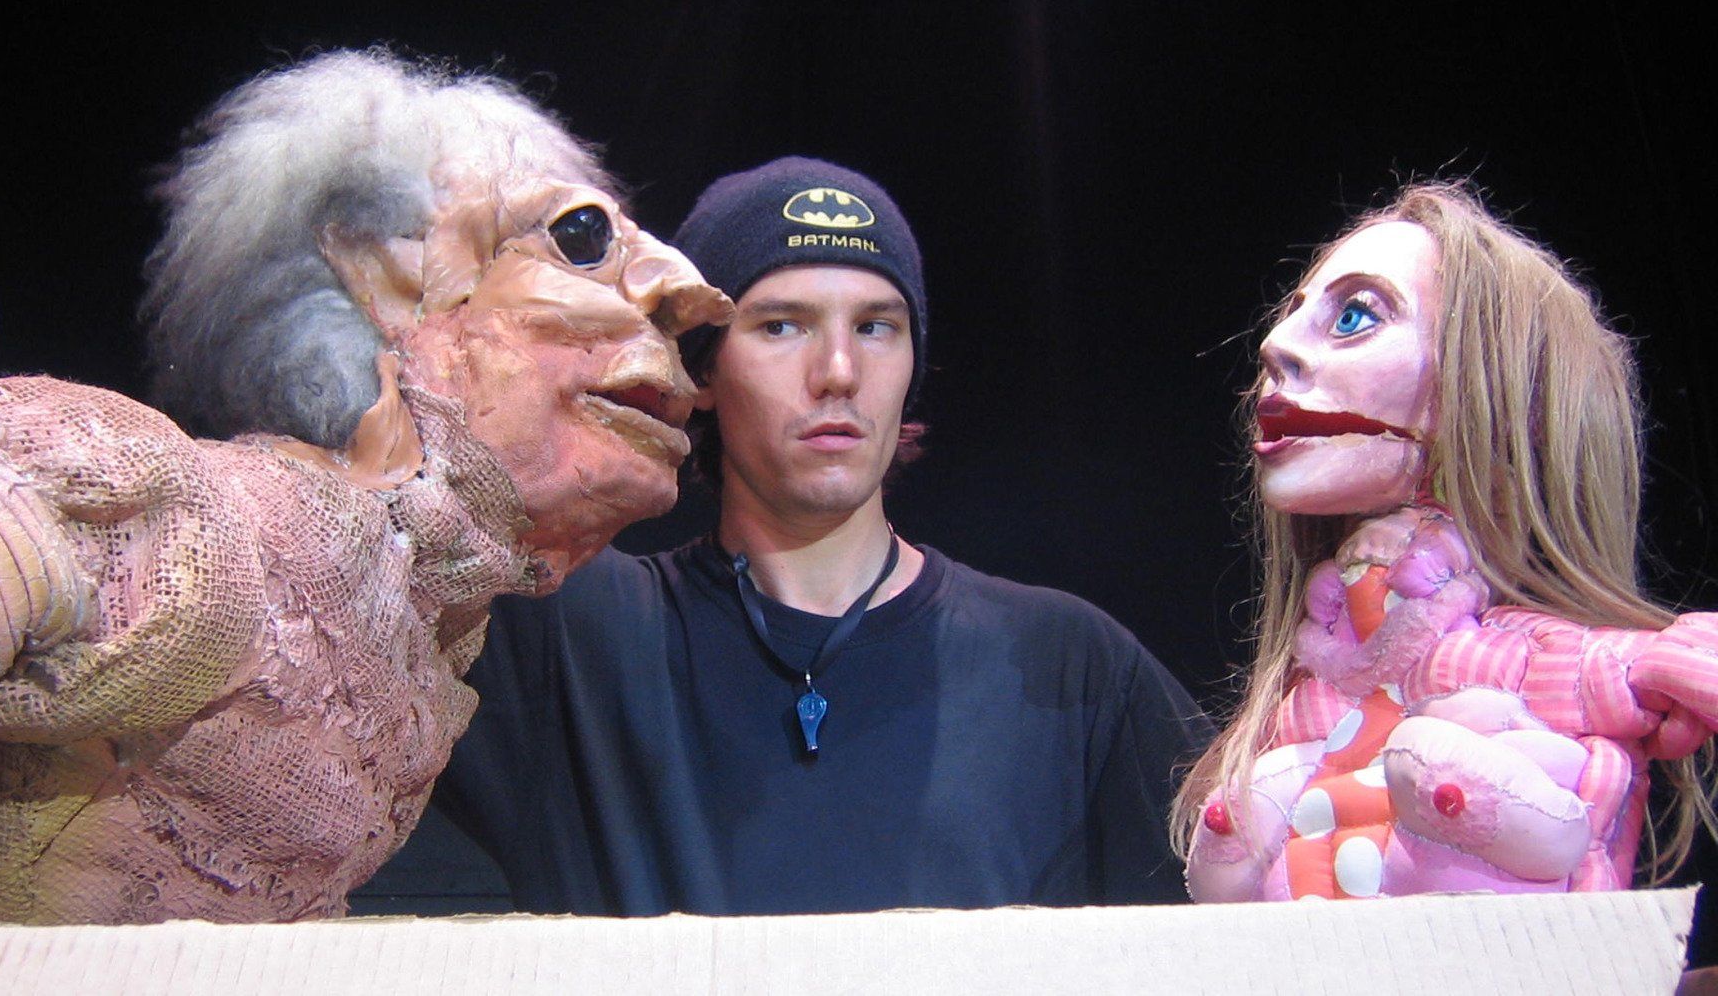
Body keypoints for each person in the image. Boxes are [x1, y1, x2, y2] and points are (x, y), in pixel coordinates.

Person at [0, 49, 729, 995]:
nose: (690, 290)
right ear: (385, 277)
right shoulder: (222, 532)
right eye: (580, 239)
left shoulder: (417, 635)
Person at [435, 155, 1211, 915]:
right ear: (698, 372)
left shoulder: (1065, 665)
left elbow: (1250, 912)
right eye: (781, 325)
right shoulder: (566, 634)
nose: (839, 370)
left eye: (876, 327)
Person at [1176, 180, 1718, 902]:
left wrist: (1668, 668)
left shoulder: (1537, 661)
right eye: (1294, 315)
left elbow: (1618, 670)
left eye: (1355, 316)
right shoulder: (1319, 682)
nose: (1273, 346)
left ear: (1505, 383)